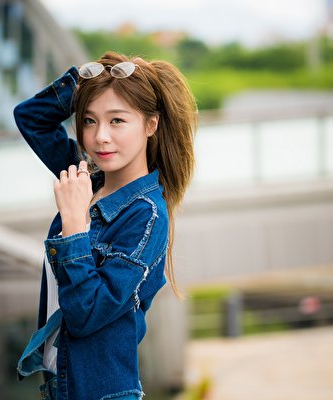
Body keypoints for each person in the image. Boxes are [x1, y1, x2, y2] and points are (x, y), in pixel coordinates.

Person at [14, 51, 197, 400]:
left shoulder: (147, 215)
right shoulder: (86, 177)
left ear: (151, 125)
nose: (100, 138)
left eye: (117, 121)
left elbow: (88, 313)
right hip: (62, 387)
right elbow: (30, 118)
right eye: (89, 121)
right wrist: (84, 84)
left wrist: (74, 227)